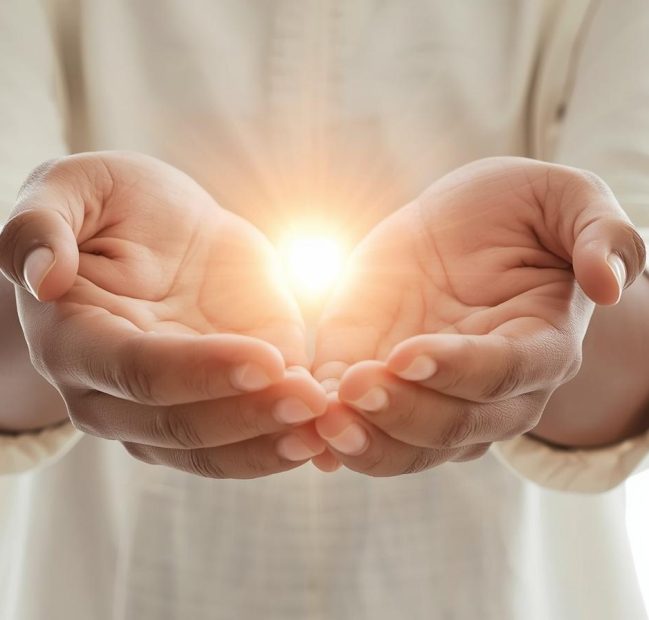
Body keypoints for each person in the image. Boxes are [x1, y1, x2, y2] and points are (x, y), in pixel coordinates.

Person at [1, 1, 648, 618]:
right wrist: (52, 294)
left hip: (506, 590)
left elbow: (626, 275)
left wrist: (561, 306)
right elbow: (20, 251)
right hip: (109, 584)